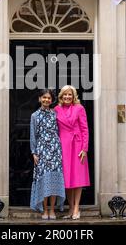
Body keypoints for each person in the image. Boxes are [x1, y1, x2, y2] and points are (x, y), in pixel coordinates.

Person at [54, 85, 90, 220]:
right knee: (67, 178)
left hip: (78, 145)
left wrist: (84, 149)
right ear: (61, 96)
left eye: (70, 94)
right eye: (65, 95)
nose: (67, 97)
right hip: (63, 145)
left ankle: (76, 208)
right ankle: (70, 207)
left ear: (73, 96)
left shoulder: (79, 108)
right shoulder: (56, 110)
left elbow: (85, 129)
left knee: (77, 178)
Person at [29, 89, 65, 220]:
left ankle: (52, 210)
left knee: (54, 180)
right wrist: (34, 152)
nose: (46, 100)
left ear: (51, 100)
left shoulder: (55, 114)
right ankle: (44, 209)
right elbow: (33, 135)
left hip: (55, 150)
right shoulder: (35, 116)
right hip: (42, 150)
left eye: (49, 98)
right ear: (40, 99)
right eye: (44, 97)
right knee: (45, 180)